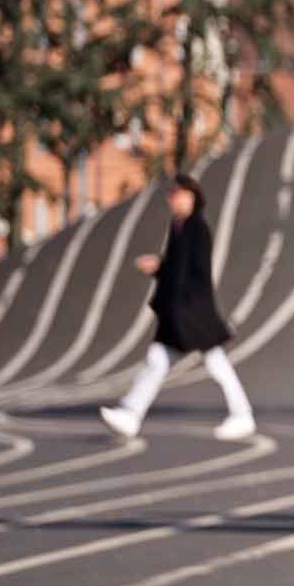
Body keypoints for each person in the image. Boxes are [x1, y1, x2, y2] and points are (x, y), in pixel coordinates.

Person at [100, 174, 254, 442]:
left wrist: (166, 273)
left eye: (176, 194)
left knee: (215, 362)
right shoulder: (178, 226)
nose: (171, 199)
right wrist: (160, 267)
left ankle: (242, 415)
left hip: (193, 311)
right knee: (158, 360)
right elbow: (176, 267)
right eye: (170, 194)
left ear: (190, 197)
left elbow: (194, 272)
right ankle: (131, 414)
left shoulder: (197, 228)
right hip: (178, 310)